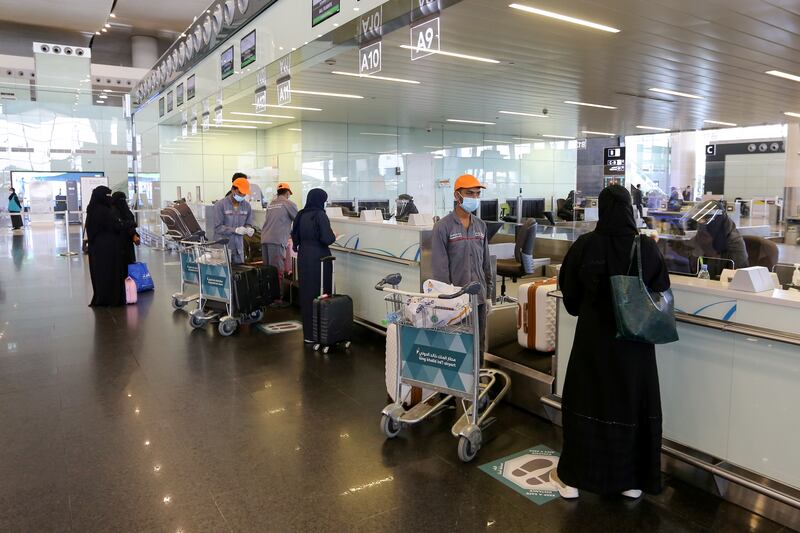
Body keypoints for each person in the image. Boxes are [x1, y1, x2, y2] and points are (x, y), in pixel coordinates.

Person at [551, 184, 670, 500]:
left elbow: (571, 298)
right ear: (630, 210)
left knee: (586, 404)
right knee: (630, 407)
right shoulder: (645, 247)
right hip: (634, 348)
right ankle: (631, 481)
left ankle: (575, 480)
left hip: (592, 345)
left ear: (601, 211)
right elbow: (661, 287)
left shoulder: (585, 246)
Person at [431, 174, 493, 357]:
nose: (474, 198)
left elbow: (486, 264)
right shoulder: (443, 227)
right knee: (457, 347)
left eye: (477, 194)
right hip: (457, 300)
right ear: (457, 196)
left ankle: (478, 384)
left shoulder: (481, 226)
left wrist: (488, 295)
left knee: (478, 345)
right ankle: (458, 386)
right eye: (469, 193)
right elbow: (440, 270)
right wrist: (448, 301)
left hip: (479, 298)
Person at [291, 188, 336, 343]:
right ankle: (322, 333)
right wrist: (333, 236)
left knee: (307, 294)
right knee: (322, 293)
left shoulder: (301, 214)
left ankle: (309, 334)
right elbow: (327, 238)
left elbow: (294, 235)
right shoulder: (320, 215)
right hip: (320, 258)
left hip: (304, 256)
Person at [85, 186, 127, 307]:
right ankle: (110, 298)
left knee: (99, 274)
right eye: (107, 196)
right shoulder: (104, 211)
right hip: (108, 248)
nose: (109, 198)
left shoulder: (92, 209)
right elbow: (116, 226)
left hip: (96, 248)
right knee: (110, 273)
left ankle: (101, 297)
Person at [261, 182, 298, 306]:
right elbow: (298, 221)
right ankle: (277, 299)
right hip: (276, 241)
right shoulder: (289, 204)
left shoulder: (271, 204)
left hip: (265, 239)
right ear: (288, 192)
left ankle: (268, 297)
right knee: (277, 271)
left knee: (267, 271)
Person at [688, 200, 749, 273]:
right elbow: (690, 268)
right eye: (700, 220)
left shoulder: (734, 242)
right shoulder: (699, 237)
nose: (702, 226)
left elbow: (739, 275)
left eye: (706, 220)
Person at [214, 178, 255, 265]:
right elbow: (218, 228)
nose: (242, 196)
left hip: (239, 249)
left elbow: (248, 223)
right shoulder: (220, 205)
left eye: (244, 194)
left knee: (239, 275)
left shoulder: (247, 206)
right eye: (240, 193)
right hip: (224, 249)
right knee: (225, 275)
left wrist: (248, 229)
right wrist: (235, 230)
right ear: (233, 190)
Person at [111, 192, 140, 266]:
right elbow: (119, 225)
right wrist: (132, 224)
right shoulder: (114, 211)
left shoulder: (113, 210)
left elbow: (129, 225)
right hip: (120, 243)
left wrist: (134, 235)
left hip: (123, 243)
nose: (123, 201)